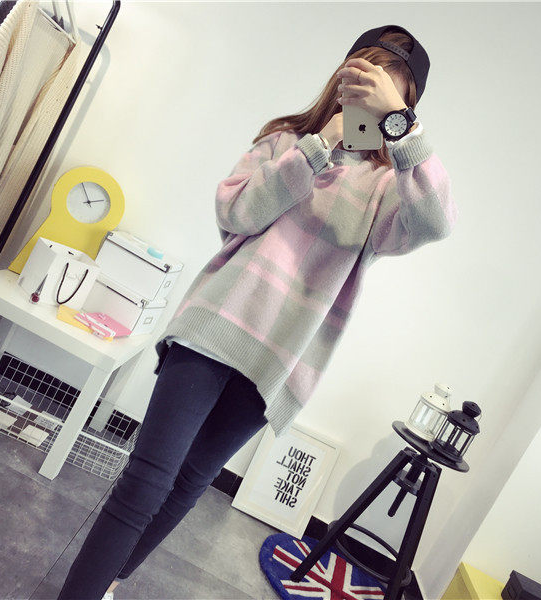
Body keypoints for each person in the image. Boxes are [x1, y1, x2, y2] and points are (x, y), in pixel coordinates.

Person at [57, 24, 458, 600]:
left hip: (281, 359)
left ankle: (107, 582)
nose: (368, 96)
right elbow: (237, 213)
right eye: (364, 77)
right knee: (147, 479)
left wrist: (399, 127)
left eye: (387, 91)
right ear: (342, 76)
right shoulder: (286, 140)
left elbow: (437, 223)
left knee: (191, 482)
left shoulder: (390, 187)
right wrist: (318, 148)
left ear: (404, 104)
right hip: (213, 327)